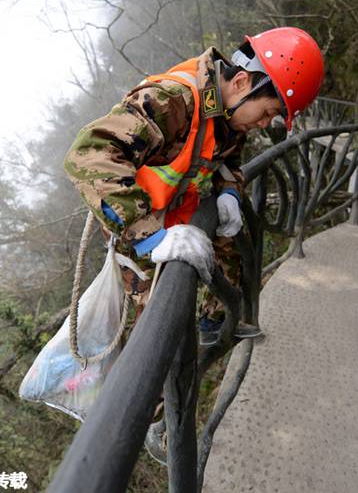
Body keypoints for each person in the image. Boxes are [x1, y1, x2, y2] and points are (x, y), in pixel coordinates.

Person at [64, 27, 325, 346]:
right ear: (243, 81)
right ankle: (155, 391)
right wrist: (148, 236)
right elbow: (89, 153)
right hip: (138, 227)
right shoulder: (173, 100)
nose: (261, 124)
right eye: (267, 112)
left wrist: (229, 189)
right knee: (158, 328)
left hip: (179, 214)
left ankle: (214, 326)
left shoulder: (230, 112)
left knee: (232, 249)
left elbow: (228, 158)